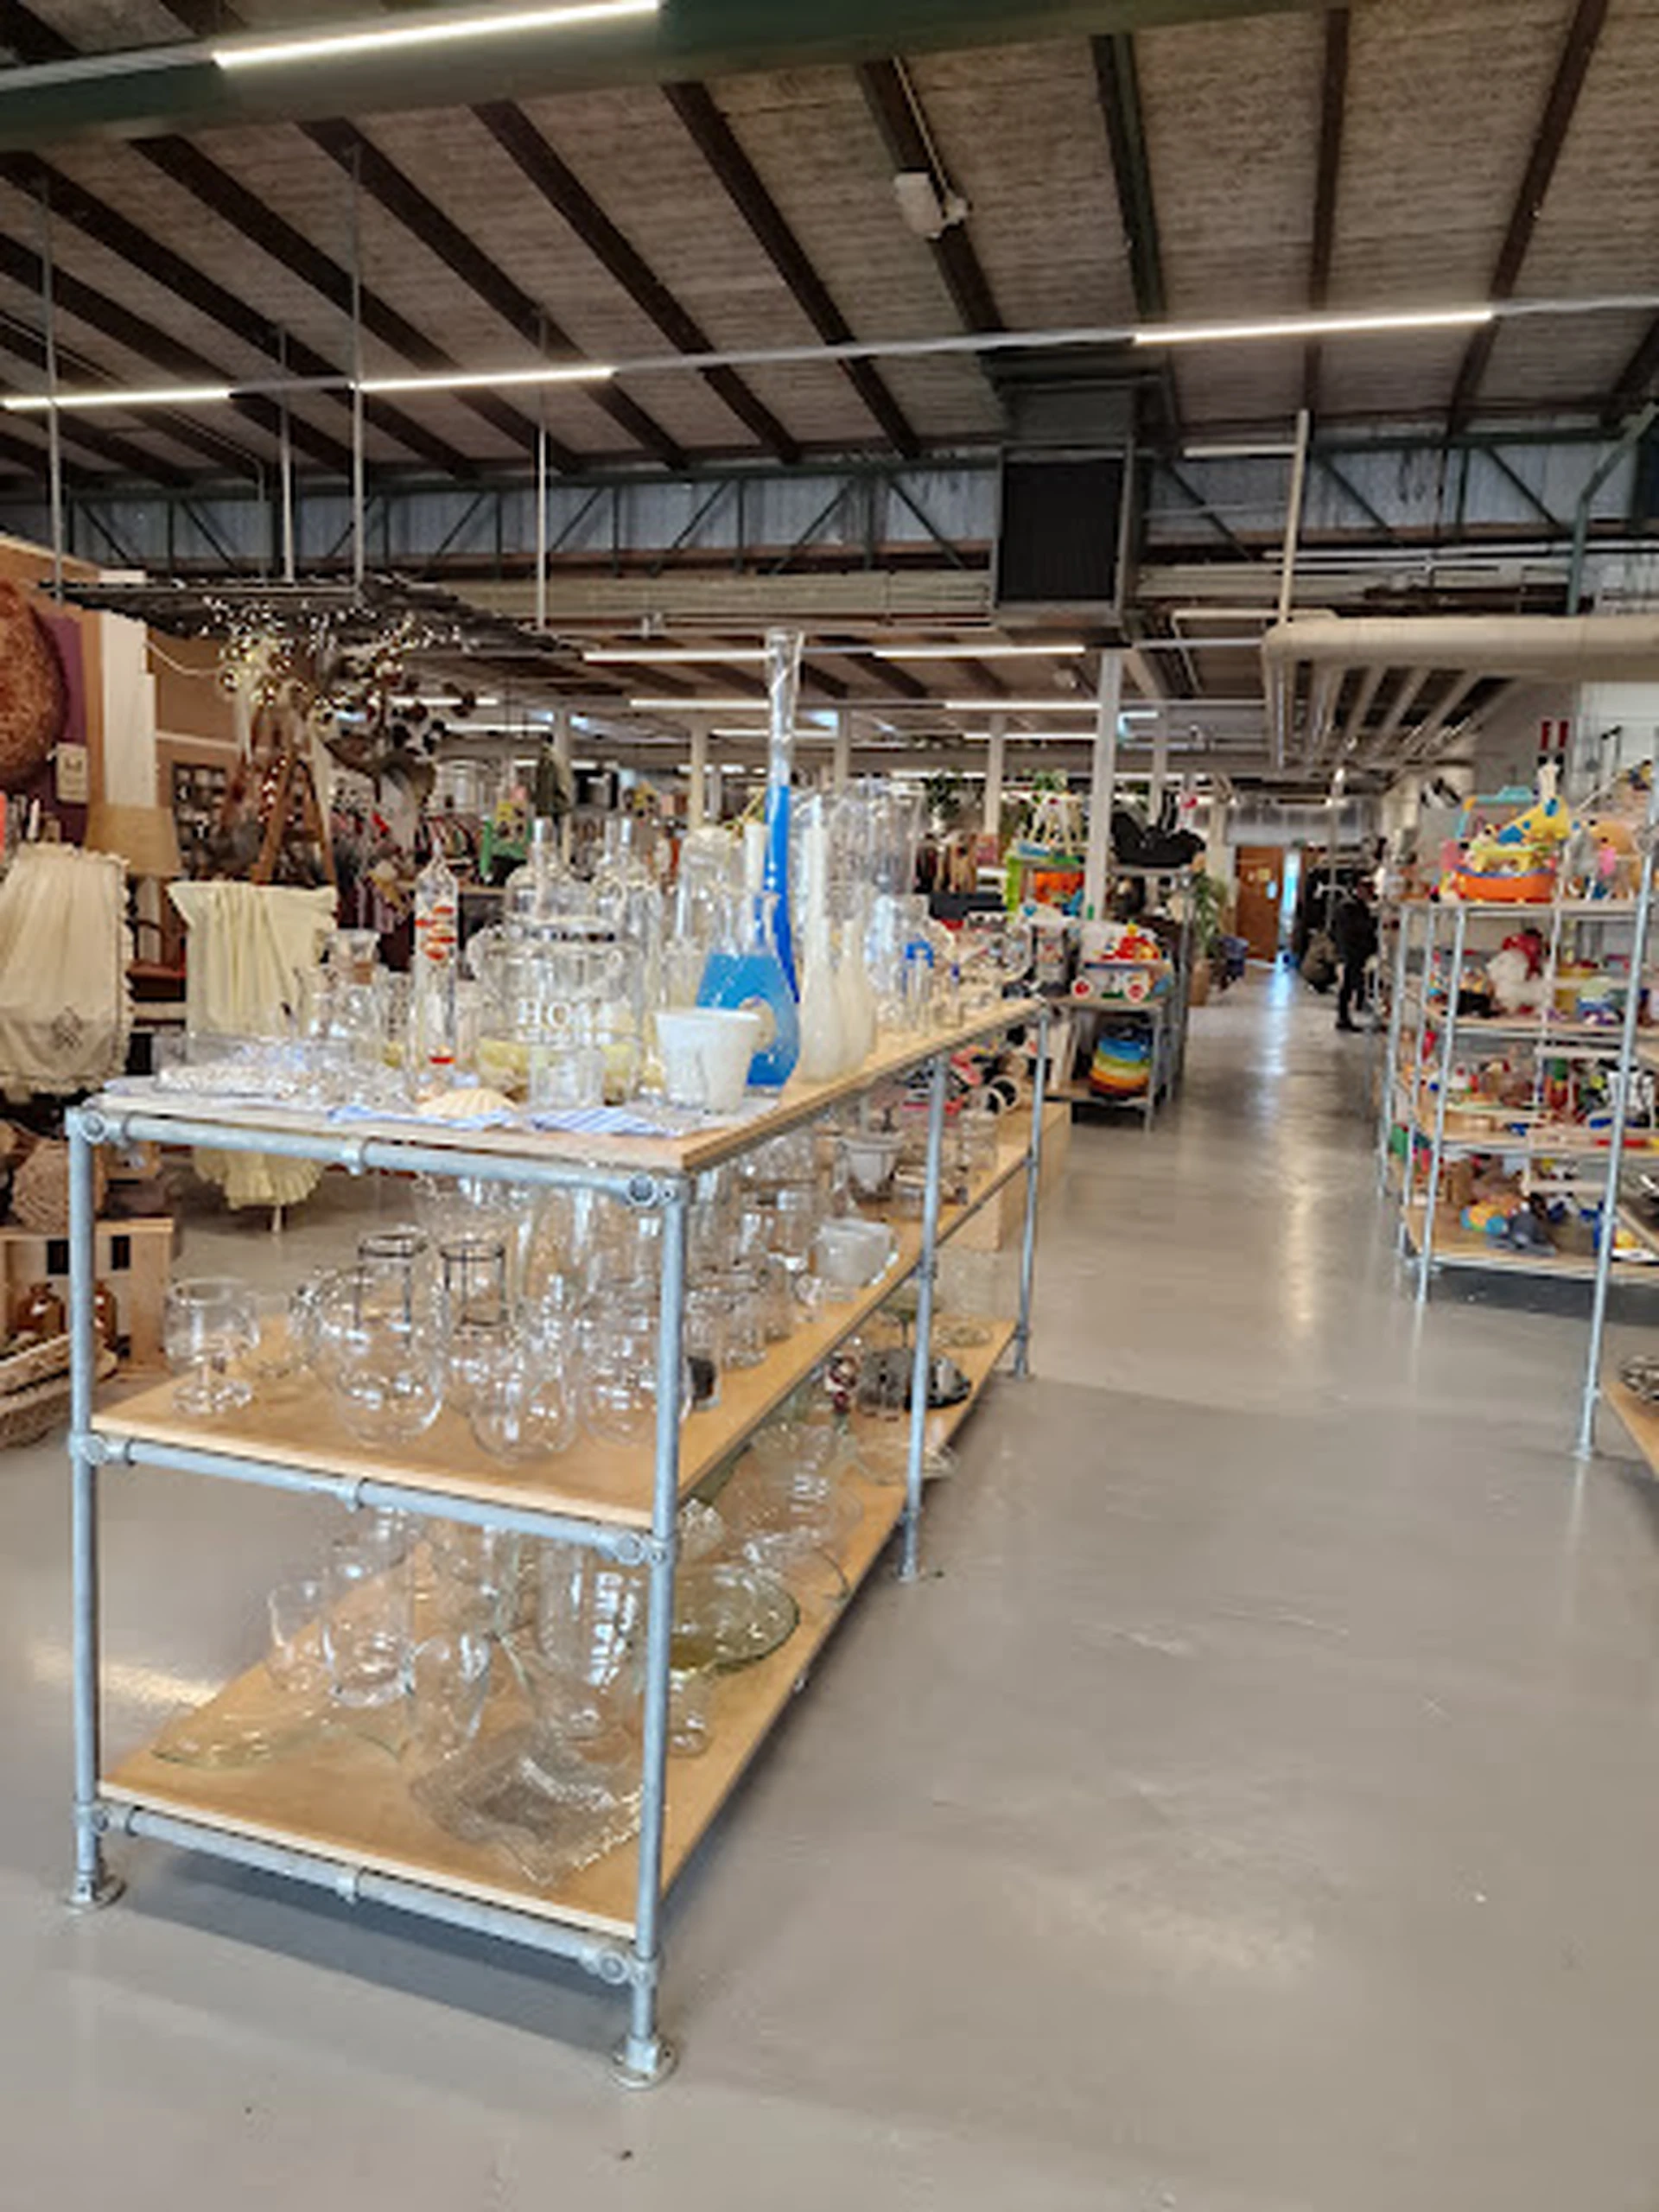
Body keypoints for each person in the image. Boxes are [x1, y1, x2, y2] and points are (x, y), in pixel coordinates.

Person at [1332, 876, 1379, 1033]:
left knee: (1350, 983)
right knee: (1349, 984)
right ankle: (1344, 1017)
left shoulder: (1351, 906)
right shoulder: (1351, 907)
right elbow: (1358, 930)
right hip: (1352, 951)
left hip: (1352, 951)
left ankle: (1346, 1016)